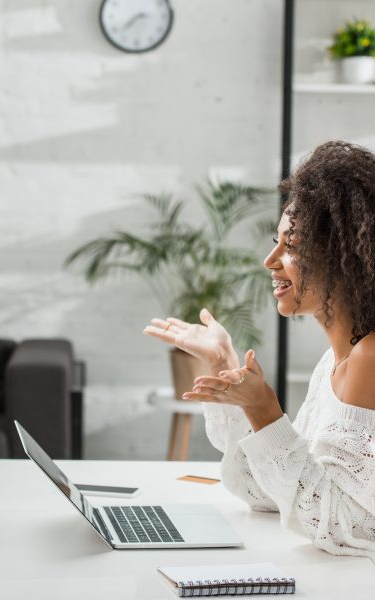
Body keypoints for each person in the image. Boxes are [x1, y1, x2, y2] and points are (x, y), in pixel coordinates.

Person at [143, 140, 375, 562]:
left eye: (292, 245)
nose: (270, 260)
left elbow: (346, 528)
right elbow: (273, 493)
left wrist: (266, 410)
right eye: (277, 241)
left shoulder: (369, 360)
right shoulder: (336, 361)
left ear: (343, 256)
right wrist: (225, 366)